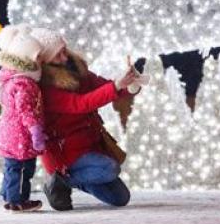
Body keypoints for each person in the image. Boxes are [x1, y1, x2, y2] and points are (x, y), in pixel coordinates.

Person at [29, 28, 140, 211]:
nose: (64, 57)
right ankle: (60, 181)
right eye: (57, 56)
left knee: (121, 198)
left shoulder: (76, 68)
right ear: (44, 61)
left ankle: (75, 181)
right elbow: (81, 104)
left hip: (88, 145)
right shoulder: (46, 87)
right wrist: (116, 86)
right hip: (65, 154)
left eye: (64, 50)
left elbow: (104, 86)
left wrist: (129, 84)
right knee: (110, 169)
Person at [0, 24, 47, 212]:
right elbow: (26, 110)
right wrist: (35, 131)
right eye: (38, 57)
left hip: (11, 134)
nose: (42, 60)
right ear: (27, 58)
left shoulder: (11, 79)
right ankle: (18, 200)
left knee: (12, 167)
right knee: (23, 170)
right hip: (21, 136)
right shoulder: (23, 83)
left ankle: (9, 195)